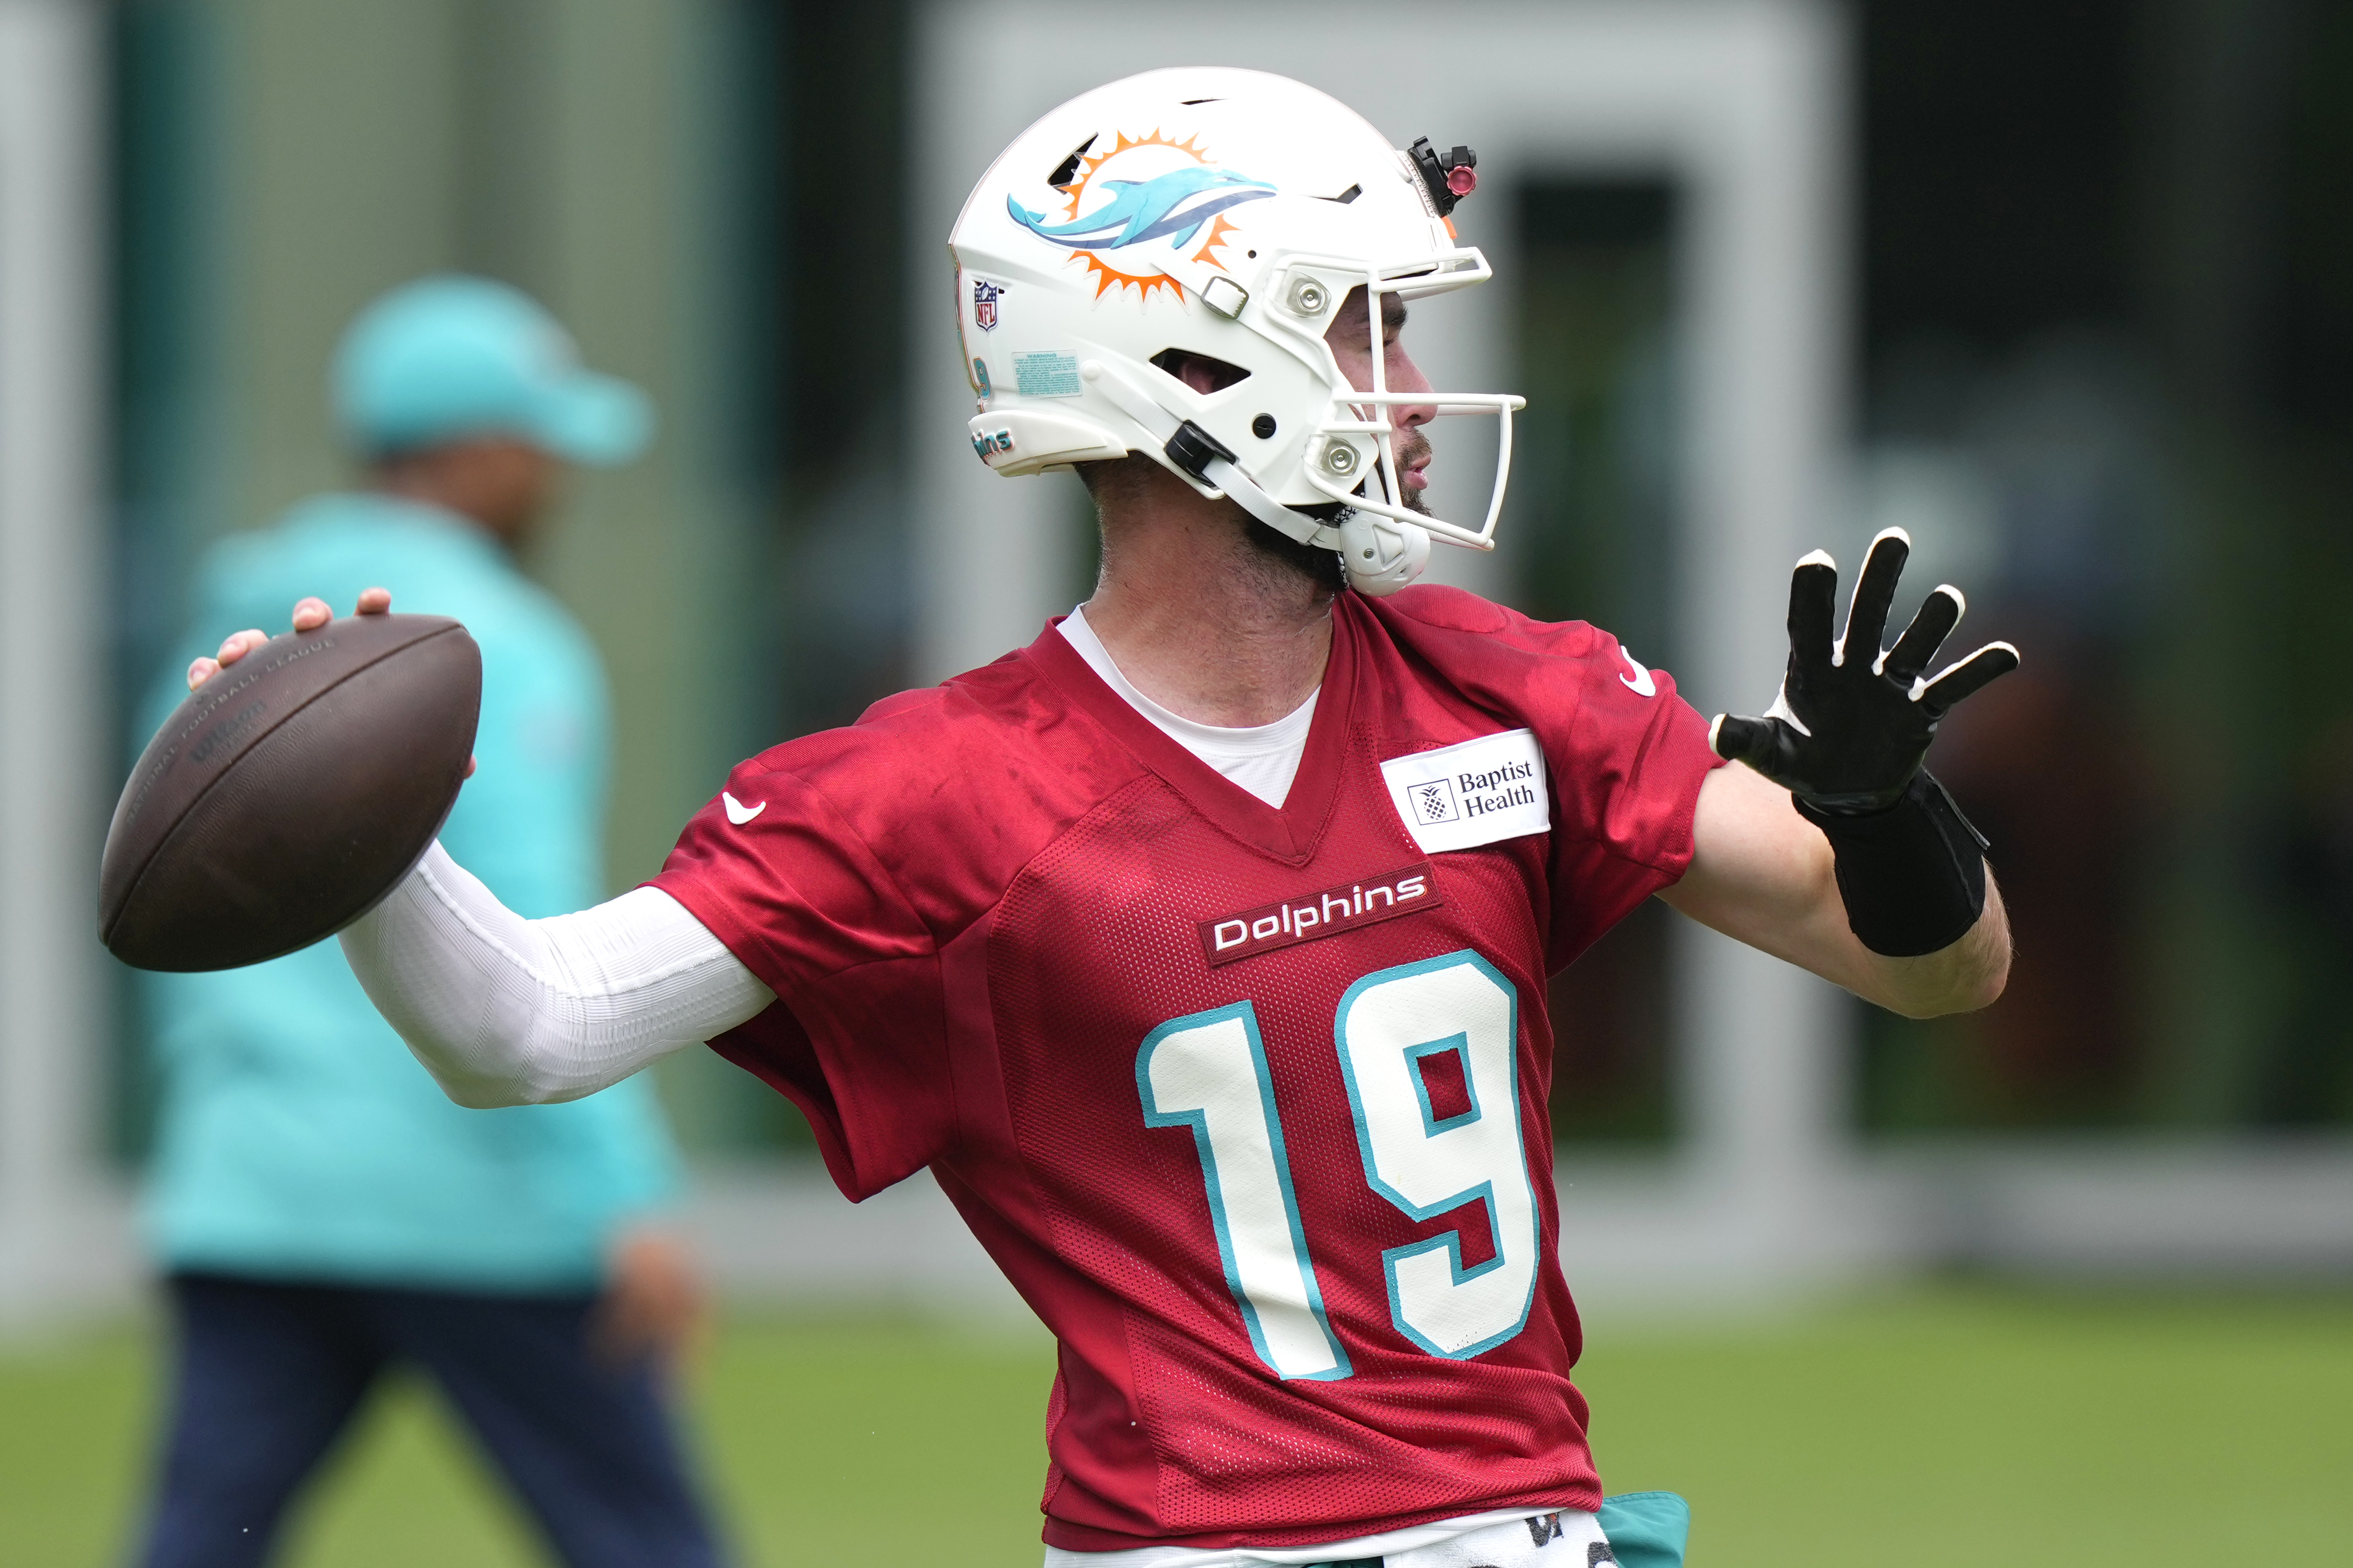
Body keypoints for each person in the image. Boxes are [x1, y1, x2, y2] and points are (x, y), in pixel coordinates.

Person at [192, 74, 2015, 1568]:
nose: (1408, 388)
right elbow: (526, 1022)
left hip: (1520, 1531)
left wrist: (1885, 812)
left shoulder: (1504, 685)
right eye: (1362, 324)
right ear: (1195, 366)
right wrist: (359, 827)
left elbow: (1935, 970)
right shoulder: (940, 791)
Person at [135, 277, 727, 1568]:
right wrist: (626, 1198)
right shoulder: (492, 642)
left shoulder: (235, 633)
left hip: (255, 1186)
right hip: (480, 1202)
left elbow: (165, 909)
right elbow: (542, 939)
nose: (555, 476)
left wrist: (216, 1125)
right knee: (650, 1548)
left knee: (195, 1548)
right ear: (478, 451)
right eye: (540, 444)